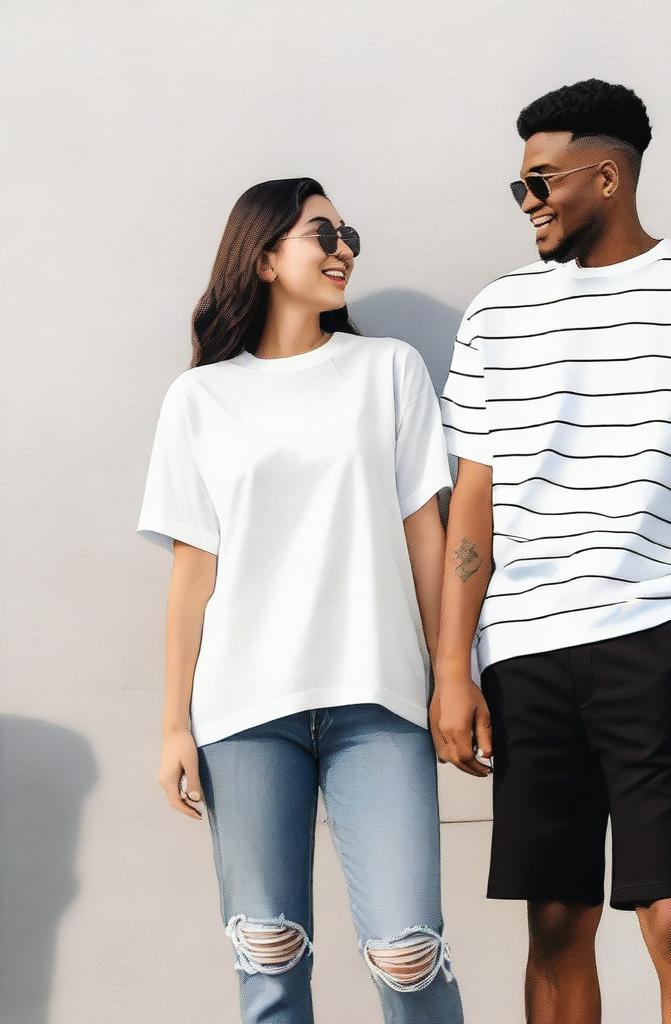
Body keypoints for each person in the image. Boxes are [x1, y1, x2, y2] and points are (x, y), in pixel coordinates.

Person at [431, 79, 671, 1024]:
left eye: (541, 181)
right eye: (521, 187)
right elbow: (472, 500)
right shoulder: (497, 313)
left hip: (653, 639)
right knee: (557, 920)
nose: (530, 203)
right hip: (523, 652)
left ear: (608, 174)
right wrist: (451, 668)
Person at [136, 177, 464, 1024]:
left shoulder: (387, 371)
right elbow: (192, 572)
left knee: (408, 956)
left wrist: (452, 677)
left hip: (379, 702)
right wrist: (175, 721)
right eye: (323, 233)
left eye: (348, 231)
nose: (343, 247)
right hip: (245, 712)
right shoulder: (200, 397)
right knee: (268, 965)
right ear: (265, 257)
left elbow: (426, 537)